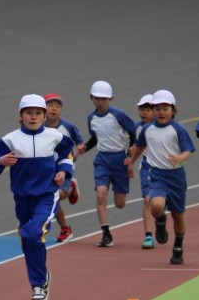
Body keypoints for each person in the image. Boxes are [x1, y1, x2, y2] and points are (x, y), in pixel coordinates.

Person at [0, 94, 75, 300]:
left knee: (32, 232)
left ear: (44, 116)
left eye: (38, 113)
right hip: (22, 198)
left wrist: (63, 171)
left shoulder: (54, 136)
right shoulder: (11, 139)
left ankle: (38, 284)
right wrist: (0, 160)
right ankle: (42, 275)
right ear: (20, 116)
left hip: (46, 195)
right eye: (28, 113)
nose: (33, 117)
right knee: (28, 238)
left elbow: (67, 154)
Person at [128, 90, 195, 264]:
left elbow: (188, 150)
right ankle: (160, 221)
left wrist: (180, 158)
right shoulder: (147, 129)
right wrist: (131, 162)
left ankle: (178, 246)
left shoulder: (178, 129)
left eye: (165, 108)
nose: (161, 112)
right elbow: (140, 146)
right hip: (157, 174)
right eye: (157, 109)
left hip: (176, 177)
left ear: (173, 110)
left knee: (178, 215)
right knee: (156, 206)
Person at [78, 80, 135, 247]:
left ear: (110, 99)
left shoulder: (119, 115)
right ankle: (106, 234)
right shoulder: (91, 118)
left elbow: (133, 133)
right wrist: (85, 147)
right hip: (102, 160)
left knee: (120, 204)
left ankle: (107, 232)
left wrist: (130, 155)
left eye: (104, 98)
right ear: (91, 98)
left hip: (120, 160)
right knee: (101, 194)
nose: (100, 102)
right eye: (97, 98)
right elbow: (96, 138)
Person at [43, 93, 84, 242]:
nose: (54, 109)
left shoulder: (68, 127)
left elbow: (79, 142)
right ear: (44, 108)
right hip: (46, 169)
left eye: (57, 106)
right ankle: (65, 229)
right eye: (50, 105)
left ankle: (70, 188)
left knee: (53, 196)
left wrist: (78, 150)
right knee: (51, 198)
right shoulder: (39, 127)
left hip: (64, 168)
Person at [132, 94, 156, 249]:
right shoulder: (138, 127)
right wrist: (130, 161)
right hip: (147, 166)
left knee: (160, 203)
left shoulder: (165, 127)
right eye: (142, 109)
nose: (144, 112)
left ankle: (160, 220)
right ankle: (148, 235)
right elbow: (137, 146)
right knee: (147, 200)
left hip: (165, 167)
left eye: (148, 109)